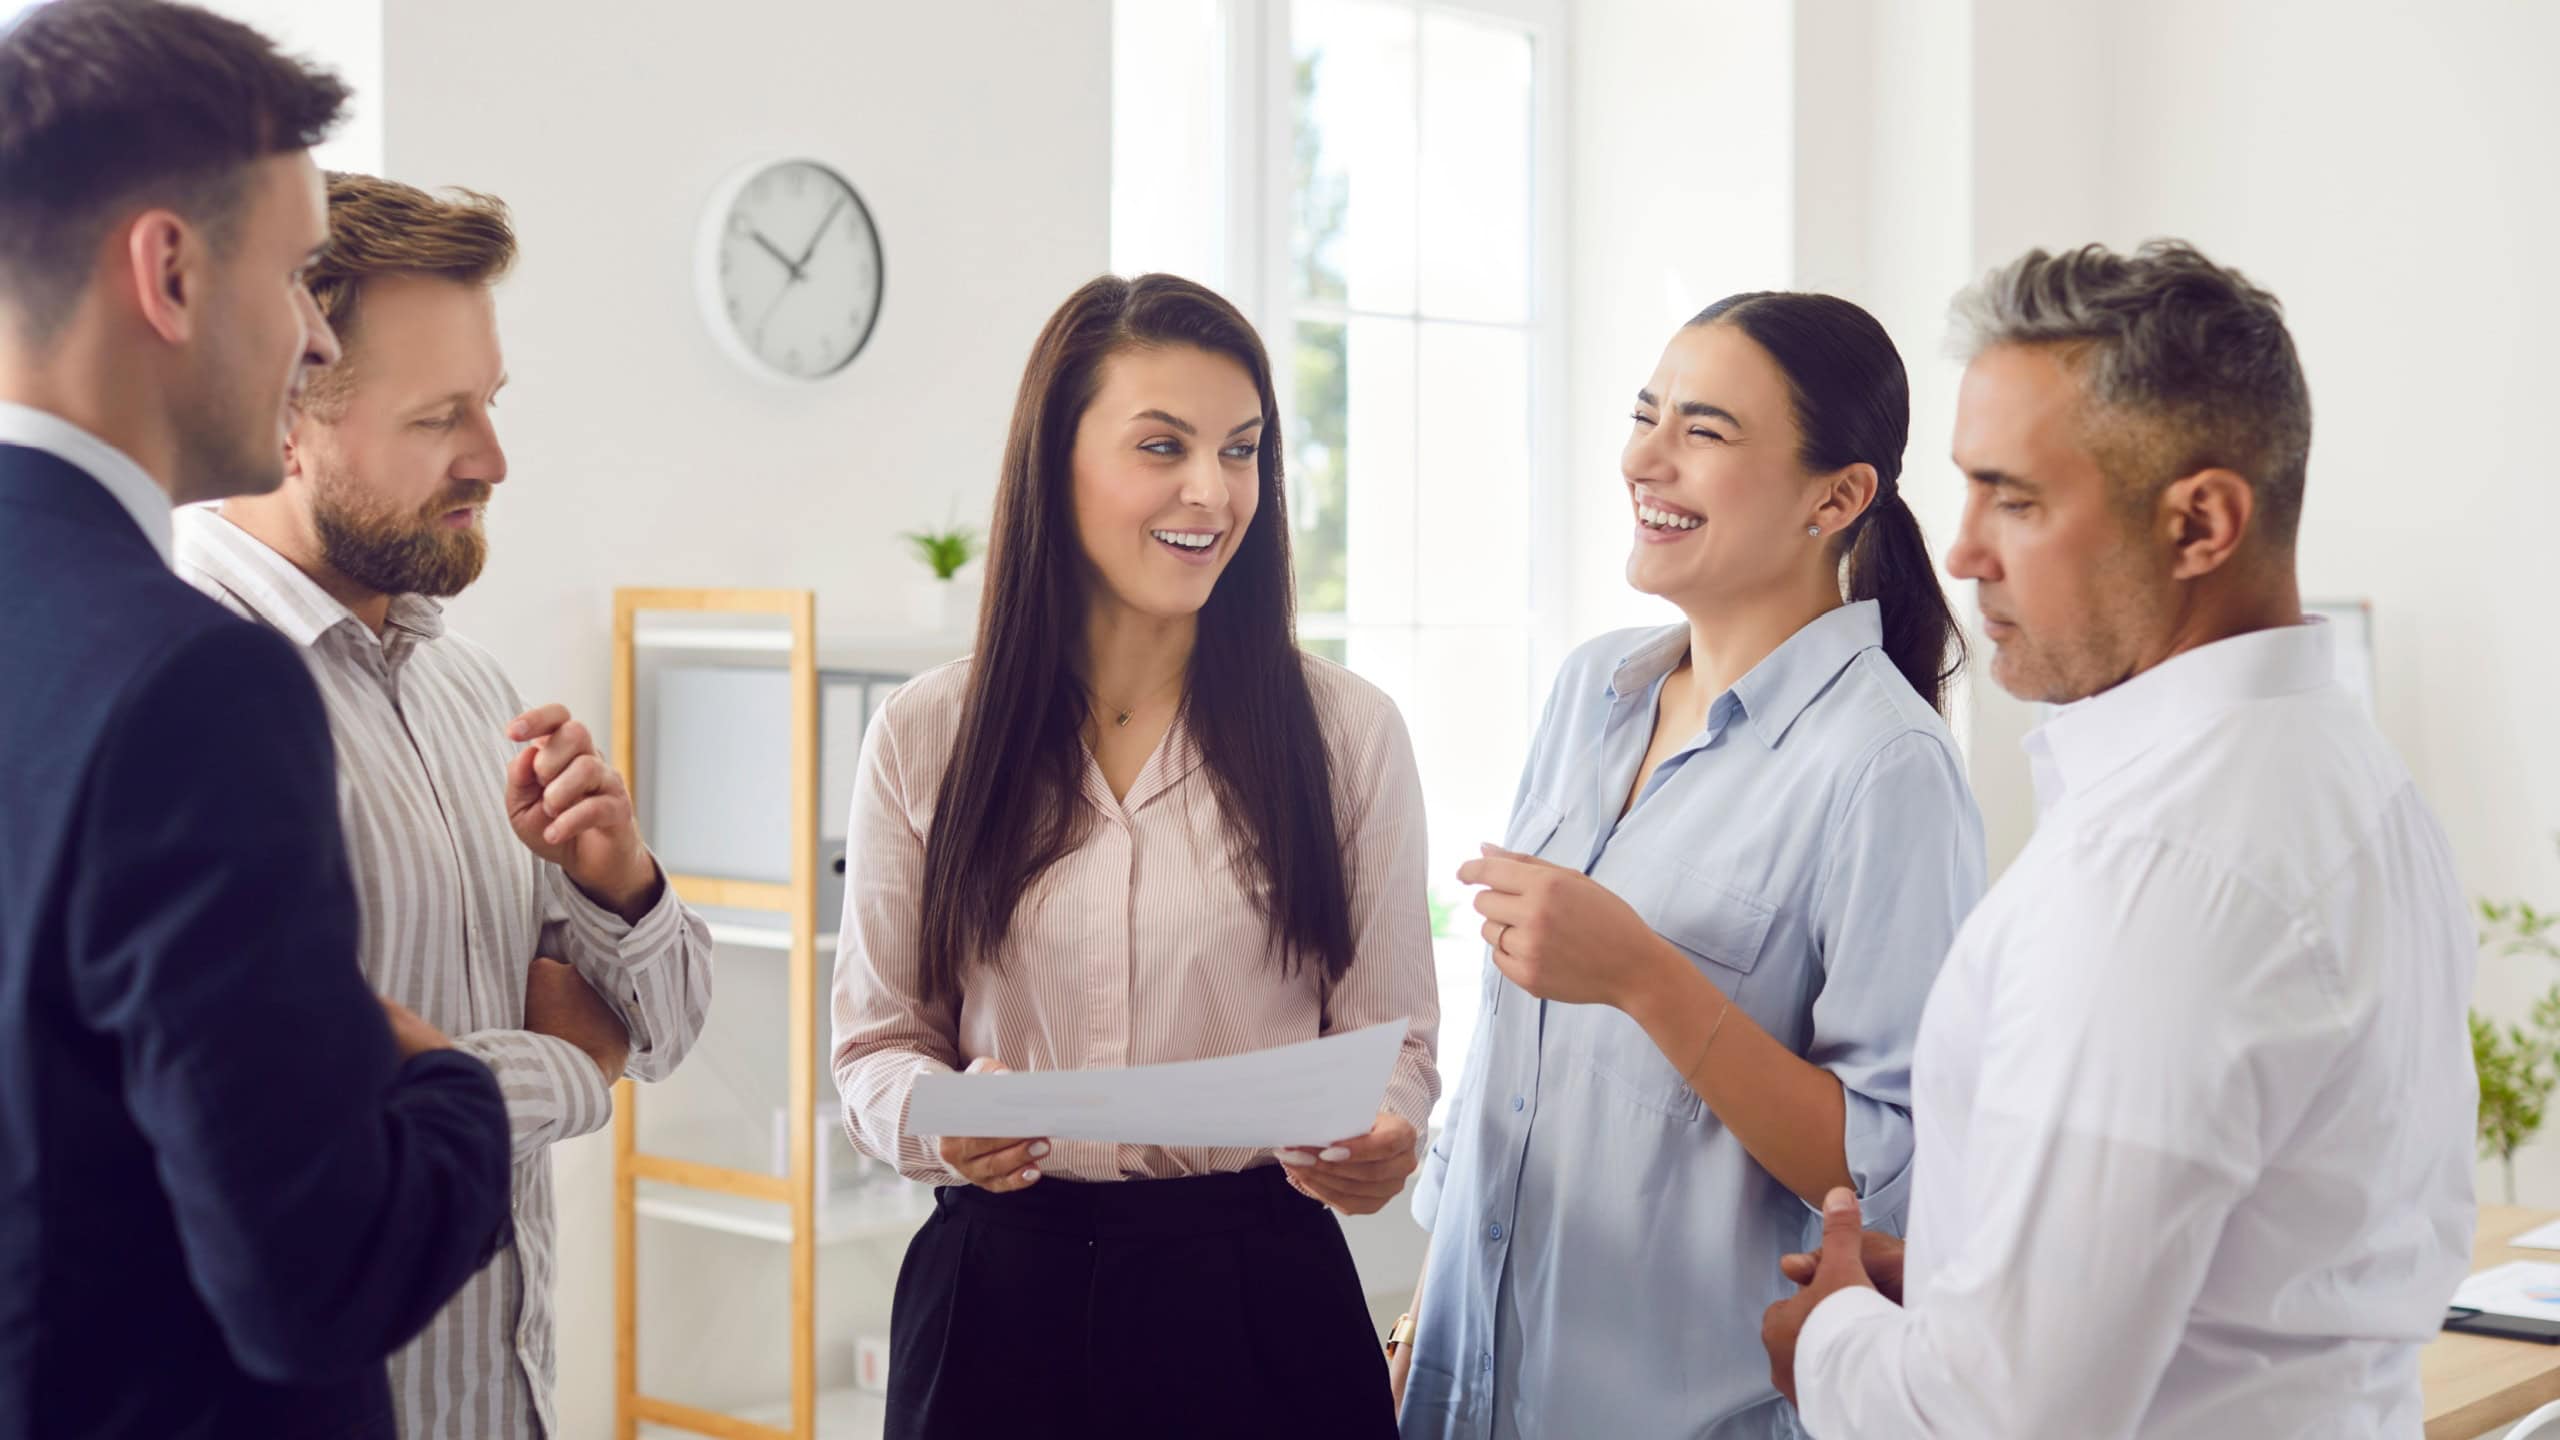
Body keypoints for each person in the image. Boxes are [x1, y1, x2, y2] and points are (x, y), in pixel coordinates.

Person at [1762, 241, 2477, 1437]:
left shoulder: (2159, 870)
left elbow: (2001, 1421)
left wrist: (1828, 1337)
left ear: (2199, 523)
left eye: (2016, 499)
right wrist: (1948, 1287)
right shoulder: (2354, 780)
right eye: (1966, 486)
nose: (1961, 549)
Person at [0, 4, 515, 1437]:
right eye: (296, 277)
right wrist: (455, 1090)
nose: (308, 336)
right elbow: (311, 1282)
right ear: (167, 270)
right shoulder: (193, 685)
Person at [830, 273, 1438, 1440]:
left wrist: (1385, 1135)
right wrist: (934, 1114)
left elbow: (1396, 1038)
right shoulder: (926, 732)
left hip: (1259, 1294)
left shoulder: (1348, 736)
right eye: (1162, 446)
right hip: (998, 1294)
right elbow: (874, 1043)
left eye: (1242, 449)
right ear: (1055, 463)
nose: (1212, 492)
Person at [173, 172, 715, 1440]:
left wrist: (613, 882)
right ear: (286, 414)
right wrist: (571, 1064)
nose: (493, 459)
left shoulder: (473, 689)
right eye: (441, 419)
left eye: (492, 403)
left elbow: (672, 1029)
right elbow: (303, 1132)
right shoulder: (183, 690)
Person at [1395, 292, 1985, 1438]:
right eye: (1644, 416)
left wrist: (1644, 977)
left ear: (1838, 496)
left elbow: (1894, 1174)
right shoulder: (1590, 692)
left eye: (1703, 433)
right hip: (1470, 1391)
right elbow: (1505, 1080)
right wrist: (1424, 1327)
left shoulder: (1889, 768)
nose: (1641, 460)